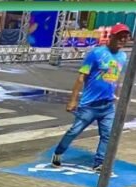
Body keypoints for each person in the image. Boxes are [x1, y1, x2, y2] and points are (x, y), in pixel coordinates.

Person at [52, 23, 130, 172]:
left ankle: (99, 163)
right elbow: (82, 77)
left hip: (108, 105)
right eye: (119, 36)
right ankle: (58, 152)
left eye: (125, 37)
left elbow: (116, 78)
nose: (123, 39)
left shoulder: (123, 56)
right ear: (111, 37)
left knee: (107, 135)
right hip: (89, 105)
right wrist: (73, 100)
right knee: (74, 131)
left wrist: (116, 95)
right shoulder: (96, 53)